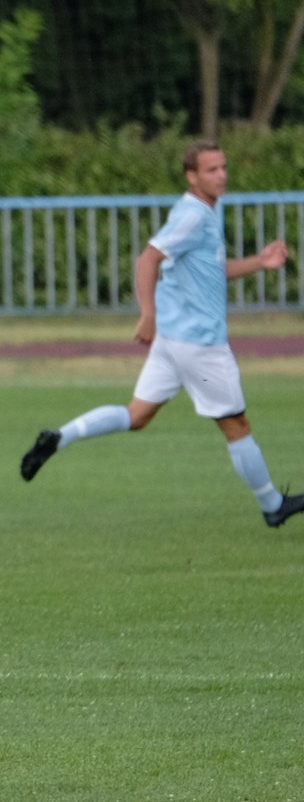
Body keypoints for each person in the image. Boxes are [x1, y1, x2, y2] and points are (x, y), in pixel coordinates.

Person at [20, 141, 304, 527]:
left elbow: (210, 270)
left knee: (136, 415)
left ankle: (59, 437)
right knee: (236, 426)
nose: (221, 175)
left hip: (172, 341)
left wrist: (259, 261)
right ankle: (272, 505)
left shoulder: (203, 210)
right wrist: (147, 314)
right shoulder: (193, 215)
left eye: (223, 167)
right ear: (192, 176)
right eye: (211, 170)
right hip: (199, 344)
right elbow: (147, 258)